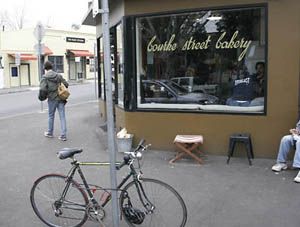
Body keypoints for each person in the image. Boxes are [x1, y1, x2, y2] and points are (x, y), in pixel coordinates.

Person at [39, 61, 69, 141]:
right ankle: (63, 135)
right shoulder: (58, 76)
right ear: (52, 67)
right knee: (62, 117)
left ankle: (50, 133)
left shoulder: (44, 77)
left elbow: (42, 89)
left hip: (52, 99)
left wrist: (42, 96)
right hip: (61, 98)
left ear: (45, 68)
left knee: (51, 116)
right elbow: (66, 84)